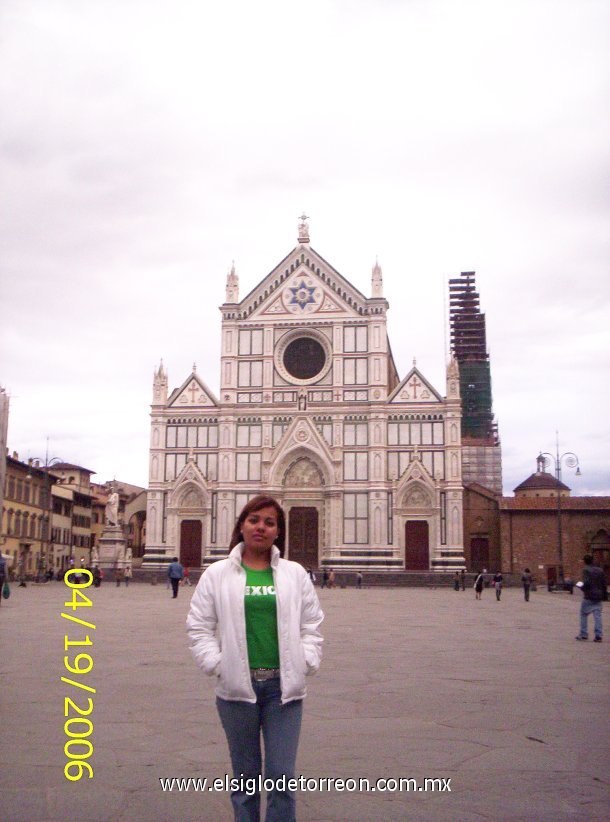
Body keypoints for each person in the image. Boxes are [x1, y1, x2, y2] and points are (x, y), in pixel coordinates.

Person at [186, 495, 324, 822]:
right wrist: (217, 664)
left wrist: (305, 660)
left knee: (282, 779)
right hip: (237, 690)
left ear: (279, 531)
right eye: (254, 519)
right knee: (245, 781)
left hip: (283, 691)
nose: (260, 527)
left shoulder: (294, 573)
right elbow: (198, 624)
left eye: (270, 522)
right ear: (242, 524)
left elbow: (312, 623)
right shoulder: (218, 573)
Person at [575, 554, 607, 642]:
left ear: (585, 561)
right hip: (598, 596)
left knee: (583, 614)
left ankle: (583, 634)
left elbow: (587, 583)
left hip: (589, 596)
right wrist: (604, 596)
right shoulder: (600, 570)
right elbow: (604, 583)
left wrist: (581, 587)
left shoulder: (586, 570)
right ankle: (598, 635)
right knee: (598, 616)